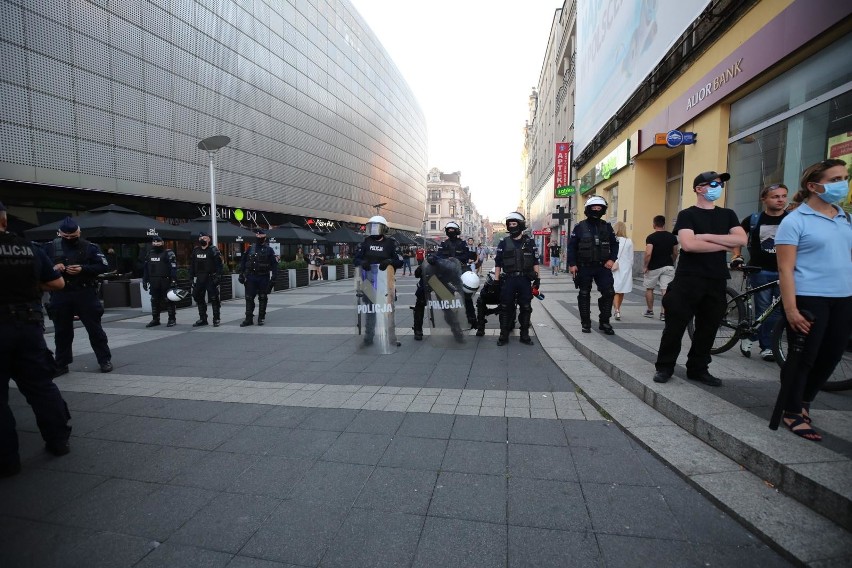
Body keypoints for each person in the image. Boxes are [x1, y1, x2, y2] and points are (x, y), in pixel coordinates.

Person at [775, 159, 852, 442]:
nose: (842, 184)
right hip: (810, 297)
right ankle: (792, 410)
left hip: (843, 298)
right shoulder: (795, 220)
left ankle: (804, 400)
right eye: (834, 180)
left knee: (831, 356)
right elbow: (785, 268)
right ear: (813, 186)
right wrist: (791, 309)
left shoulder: (845, 217)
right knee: (804, 358)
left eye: (844, 177)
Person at [653, 171, 746, 386]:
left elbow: (741, 239)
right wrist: (725, 243)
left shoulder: (728, 214)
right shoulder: (687, 214)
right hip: (688, 279)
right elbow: (689, 245)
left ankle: (698, 368)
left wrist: (704, 236)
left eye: (720, 184)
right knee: (675, 327)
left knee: (708, 327)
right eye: (713, 183)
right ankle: (665, 367)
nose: (718, 187)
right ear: (699, 188)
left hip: (716, 279)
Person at [0, 202, 72, 477]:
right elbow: (58, 283)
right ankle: (58, 441)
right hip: (28, 326)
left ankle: (8, 460)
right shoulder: (29, 249)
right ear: (5, 222)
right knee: (41, 387)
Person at [43, 217, 113, 375]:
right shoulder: (49, 247)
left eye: (73, 236)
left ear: (79, 232)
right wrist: (54, 268)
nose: (69, 239)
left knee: (95, 330)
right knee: (62, 332)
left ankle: (104, 360)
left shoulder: (90, 247)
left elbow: (103, 266)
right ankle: (62, 363)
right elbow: (40, 267)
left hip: (85, 292)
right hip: (61, 294)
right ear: (59, 233)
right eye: (65, 236)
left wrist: (83, 269)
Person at [730, 183, 789, 361]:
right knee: (764, 308)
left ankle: (756, 337)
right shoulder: (754, 220)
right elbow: (737, 238)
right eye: (775, 196)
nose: (780, 200)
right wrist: (736, 256)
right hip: (760, 270)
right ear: (764, 199)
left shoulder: (792, 219)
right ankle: (767, 346)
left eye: (784, 196)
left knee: (778, 310)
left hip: (785, 271)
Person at [566, 196, 618, 335]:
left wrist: (612, 259)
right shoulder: (579, 227)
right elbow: (572, 247)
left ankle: (604, 322)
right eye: (594, 207)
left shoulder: (607, 227)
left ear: (603, 209)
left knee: (609, 292)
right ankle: (586, 323)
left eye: (599, 207)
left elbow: (614, 244)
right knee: (584, 294)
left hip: (603, 266)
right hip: (584, 266)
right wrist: (572, 264)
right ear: (588, 209)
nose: (596, 209)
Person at [353, 215, 403, 345]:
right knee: (370, 311)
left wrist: (390, 261)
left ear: (384, 229)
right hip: (369, 281)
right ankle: (368, 338)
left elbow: (399, 262)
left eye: (377, 227)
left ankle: (391, 338)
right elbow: (355, 260)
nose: (374, 230)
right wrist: (362, 262)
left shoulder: (391, 243)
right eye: (372, 227)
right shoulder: (365, 242)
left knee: (389, 311)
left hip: (386, 282)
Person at [494, 212, 540, 346]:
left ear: (520, 225)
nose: (512, 226)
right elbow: (498, 263)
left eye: (514, 224)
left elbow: (535, 261)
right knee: (505, 307)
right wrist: (496, 280)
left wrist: (537, 280)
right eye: (510, 224)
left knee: (526, 307)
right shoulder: (503, 242)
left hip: (525, 280)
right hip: (509, 280)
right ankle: (503, 335)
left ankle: (524, 335)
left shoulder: (529, 242)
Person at [436, 222, 477, 327]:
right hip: (447, 273)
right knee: (447, 297)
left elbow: (468, 255)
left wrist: (455, 260)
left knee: (466, 297)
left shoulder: (463, 244)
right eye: (448, 230)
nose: (450, 232)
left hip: (461, 272)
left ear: (457, 231)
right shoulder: (443, 244)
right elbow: (439, 257)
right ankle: (452, 319)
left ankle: (472, 318)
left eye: (452, 230)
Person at [239, 228, 278, 326]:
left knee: (263, 297)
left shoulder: (269, 250)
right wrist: (241, 273)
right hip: (251, 277)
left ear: (264, 238)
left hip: (263, 277)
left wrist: (274, 277)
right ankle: (248, 318)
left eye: (260, 236)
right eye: (257, 236)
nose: (258, 238)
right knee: (249, 298)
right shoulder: (250, 248)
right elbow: (243, 261)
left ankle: (261, 318)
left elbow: (274, 265)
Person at [643, 215, 679, 320]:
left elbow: (648, 253)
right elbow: (675, 252)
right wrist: (671, 261)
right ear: (664, 224)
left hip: (653, 267)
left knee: (649, 288)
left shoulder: (651, 237)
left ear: (654, 224)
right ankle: (664, 314)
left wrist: (645, 266)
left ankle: (650, 311)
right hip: (668, 266)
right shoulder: (672, 237)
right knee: (666, 290)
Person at [189, 231, 224, 327]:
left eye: (204, 238)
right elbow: (192, 265)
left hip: (210, 278)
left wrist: (218, 277)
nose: (202, 240)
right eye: (200, 238)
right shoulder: (196, 250)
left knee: (214, 299)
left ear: (209, 239)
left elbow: (219, 265)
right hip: (200, 278)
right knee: (197, 296)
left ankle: (216, 318)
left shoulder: (213, 250)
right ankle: (203, 318)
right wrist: (191, 277)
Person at [143, 234, 178, 328]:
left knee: (168, 299)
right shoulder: (149, 253)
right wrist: (145, 280)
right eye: (154, 242)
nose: (156, 243)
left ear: (162, 243)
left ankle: (172, 319)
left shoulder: (168, 253)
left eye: (158, 242)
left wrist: (173, 280)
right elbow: (146, 268)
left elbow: (173, 268)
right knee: (154, 300)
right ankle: (155, 319)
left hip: (165, 280)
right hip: (153, 280)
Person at [611, 222, 634, 321]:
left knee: (615, 289)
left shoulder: (612, 240)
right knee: (622, 290)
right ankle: (618, 309)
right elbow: (631, 258)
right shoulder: (629, 241)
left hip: (614, 266)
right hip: (625, 268)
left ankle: (616, 310)